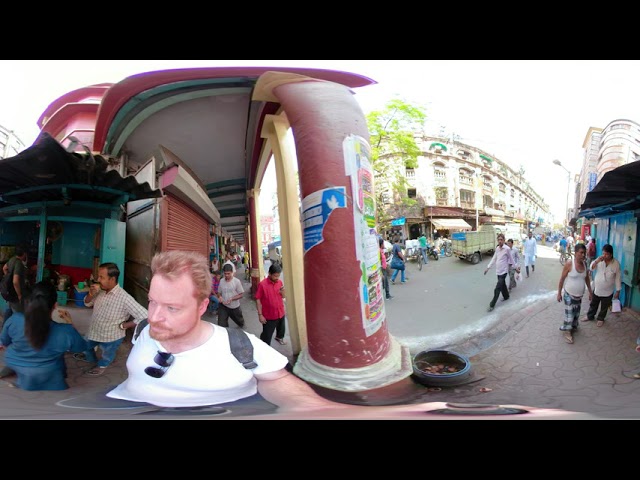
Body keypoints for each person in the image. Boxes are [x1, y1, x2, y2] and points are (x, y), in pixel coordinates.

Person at [105, 250, 348, 411]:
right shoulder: (143, 330)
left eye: (172, 307)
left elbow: (279, 380)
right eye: (152, 302)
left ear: (201, 307)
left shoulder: (240, 346)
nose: (154, 316)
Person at [0, 282, 89, 390]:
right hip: (49, 373)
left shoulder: (14, 320)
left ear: (29, 302)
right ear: (55, 305)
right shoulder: (65, 331)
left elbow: (4, 342)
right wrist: (70, 323)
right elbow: (81, 347)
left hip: (17, 364)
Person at [73, 262, 148, 376]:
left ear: (112, 279)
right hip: (95, 330)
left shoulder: (124, 298)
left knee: (107, 354)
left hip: (112, 336)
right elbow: (87, 304)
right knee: (85, 345)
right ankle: (90, 357)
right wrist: (90, 294)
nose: (98, 279)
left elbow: (145, 315)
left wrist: (124, 326)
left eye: (102, 277)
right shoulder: (100, 292)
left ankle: (102, 365)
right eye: (98, 276)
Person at [557, 243, 592, 344]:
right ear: (575, 253)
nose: (583, 255)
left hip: (578, 296)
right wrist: (559, 293)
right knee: (569, 316)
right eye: (581, 253)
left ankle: (573, 327)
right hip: (569, 294)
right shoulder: (569, 263)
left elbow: (587, 279)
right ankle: (567, 332)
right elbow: (562, 279)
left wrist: (590, 292)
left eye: (584, 253)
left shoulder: (585, 264)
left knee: (576, 314)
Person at [583, 244, 621, 327]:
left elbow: (618, 278)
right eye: (603, 253)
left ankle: (601, 318)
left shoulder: (616, 264)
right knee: (593, 304)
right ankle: (590, 316)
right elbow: (591, 268)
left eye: (606, 254)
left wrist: (618, 291)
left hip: (608, 291)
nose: (604, 256)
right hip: (597, 288)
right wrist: (597, 261)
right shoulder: (599, 260)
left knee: (604, 307)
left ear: (611, 254)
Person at [256, 263, 287, 346]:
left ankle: (279, 337)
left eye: (278, 276)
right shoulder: (262, 285)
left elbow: (283, 296)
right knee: (267, 335)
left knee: (281, 329)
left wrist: (283, 293)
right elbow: (258, 300)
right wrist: (260, 315)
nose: (277, 278)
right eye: (275, 276)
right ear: (269, 274)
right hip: (269, 315)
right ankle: (264, 346)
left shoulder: (279, 282)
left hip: (280, 312)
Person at [484, 233, 514, 312]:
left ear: (504, 240)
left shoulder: (507, 249)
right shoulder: (497, 249)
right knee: (502, 285)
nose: (500, 241)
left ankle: (492, 305)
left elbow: (511, 259)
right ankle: (506, 296)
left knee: (497, 288)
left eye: (501, 240)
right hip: (498, 271)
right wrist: (488, 267)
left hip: (504, 272)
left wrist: (516, 268)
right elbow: (494, 259)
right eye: (499, 240)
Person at [3, 245, 28, 322]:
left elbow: (4, 268)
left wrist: (8, 279)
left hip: (10, 291)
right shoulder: (19, 263)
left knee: (9, 310)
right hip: (15, 293)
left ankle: (5, 328)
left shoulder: (12, 259)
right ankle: (16, 331)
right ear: (24, 254)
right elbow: (15, 281)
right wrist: (19, 295)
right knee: (19, 315)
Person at [217, 263, 245, 328]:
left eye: (228, 273)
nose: (226, 275)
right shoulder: (221, 281)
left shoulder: (236, 282)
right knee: (221, 324)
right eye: (225, 273)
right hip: (223, 306)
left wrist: (232, 299)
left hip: (234, 307)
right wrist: (220, 297)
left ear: (232, 272)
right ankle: (225, 334)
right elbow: (219, 292)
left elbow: (241, 295)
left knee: (240, 321)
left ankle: (241, 325)